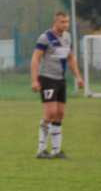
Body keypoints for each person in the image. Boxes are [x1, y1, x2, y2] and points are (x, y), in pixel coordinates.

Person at [30, 11, 84, 159]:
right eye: (63, 22)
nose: (66, 24)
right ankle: (41, 150)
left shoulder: (67, 37)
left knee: (60, 115)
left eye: (67, 22)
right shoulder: (45, 37)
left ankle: (56, 150)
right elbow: (35, 59)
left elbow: (71, 58)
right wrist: (34, 80)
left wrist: (78, 77)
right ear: (55, 22)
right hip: (47, 78)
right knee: (50, 113)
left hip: (61, 80)